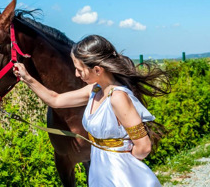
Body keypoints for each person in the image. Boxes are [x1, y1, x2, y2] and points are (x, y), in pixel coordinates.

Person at [13, 34, 170, 187]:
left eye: (80, 70)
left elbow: (144, 146)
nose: (76, 74)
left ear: (97, 70)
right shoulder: (94, 90)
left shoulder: (117, 97)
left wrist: (123, 162)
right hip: (99, 168)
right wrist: (27, 78)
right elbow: (55, 99)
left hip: (118, 174)